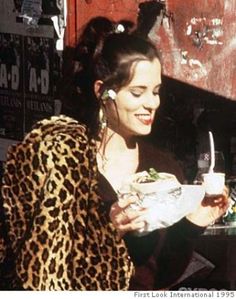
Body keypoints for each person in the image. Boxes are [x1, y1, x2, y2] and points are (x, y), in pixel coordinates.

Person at [0, 16, 229, 291]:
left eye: (155, 92)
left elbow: (158, 279)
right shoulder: (60, 160)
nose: (151, 104)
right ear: (103, 92)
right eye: (137, 92)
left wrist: (191, 225)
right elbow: (37, 269)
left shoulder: (163, 168)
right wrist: (107, 232)